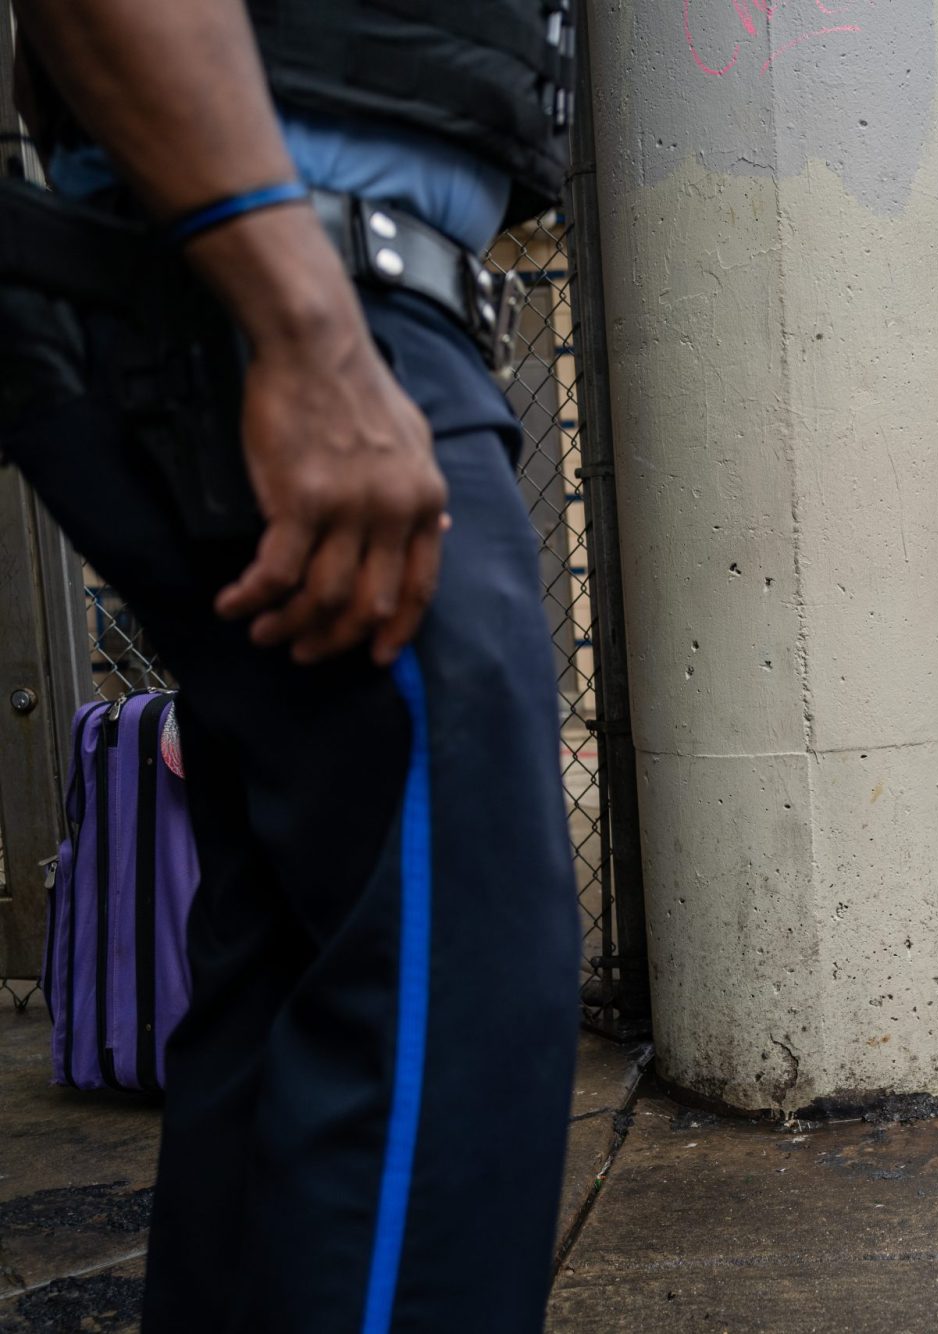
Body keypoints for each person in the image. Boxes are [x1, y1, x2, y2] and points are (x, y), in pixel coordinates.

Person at [5, 0, 580, 1324]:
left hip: (277, 276)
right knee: (450, 996)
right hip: (301, 287)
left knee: (282, 981)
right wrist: (301, 316)